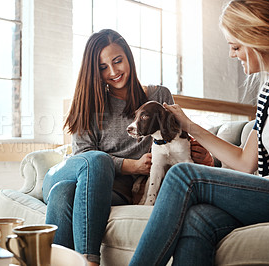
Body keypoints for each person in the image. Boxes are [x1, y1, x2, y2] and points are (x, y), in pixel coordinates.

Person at [129, 0, 269, 265]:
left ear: (259, 38)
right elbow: (243, 162)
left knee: (185, 175)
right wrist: (188, 125)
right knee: (198, 219)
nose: (231, 54)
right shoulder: (268, 93)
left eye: (235, 46)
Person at [42, 29, 213, 266]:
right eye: (103, 67)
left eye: (117, 61)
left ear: (128, 58)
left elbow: (176, 138)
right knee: (96, 161)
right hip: (71, 172)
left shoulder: (157, 96)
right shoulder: (89, 103)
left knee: (62, 194)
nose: (113, 71)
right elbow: (83, 156)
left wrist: (205, 155)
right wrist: (131, 165)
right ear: (95, 71)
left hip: (110, 191)